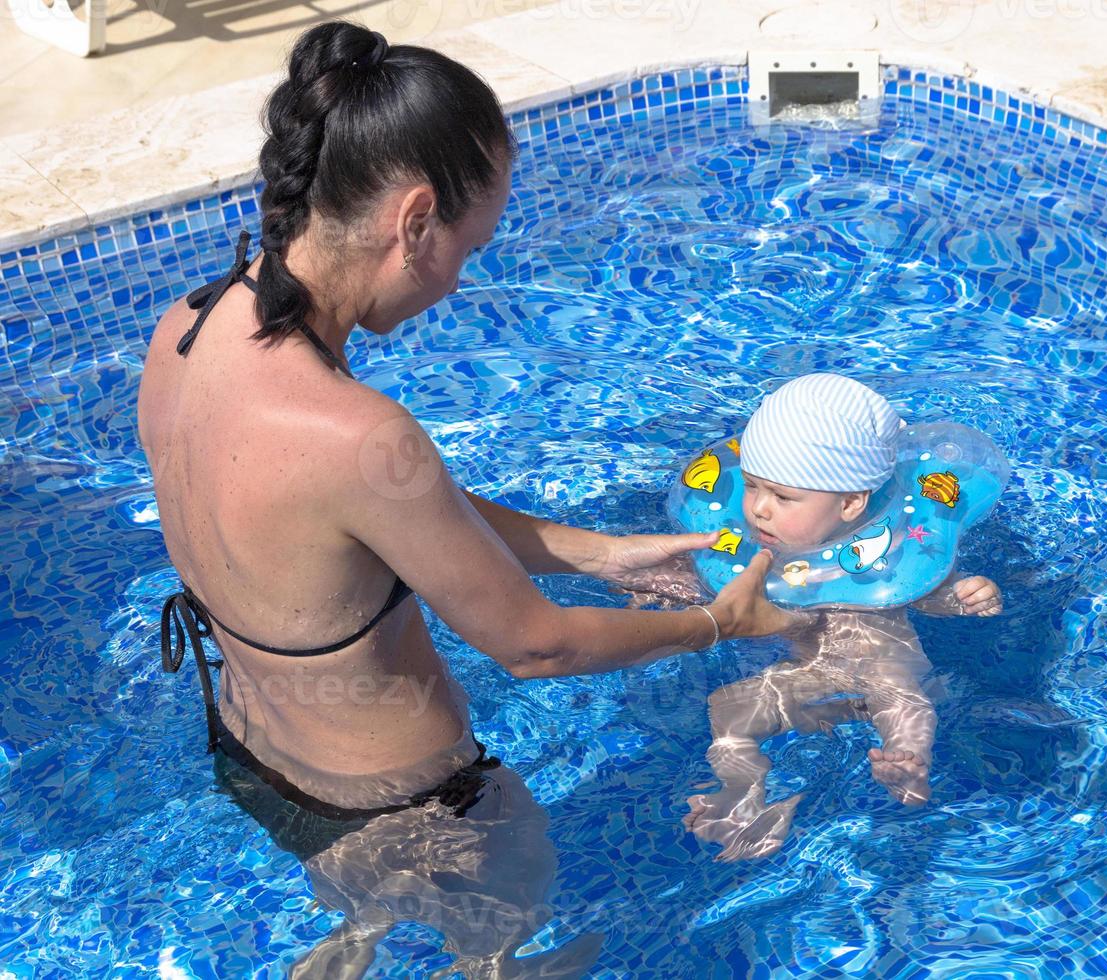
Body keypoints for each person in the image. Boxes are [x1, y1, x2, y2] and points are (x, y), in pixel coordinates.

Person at [136, 22, 794, 977]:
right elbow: (538, 645)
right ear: (413, 222)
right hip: (419, 808)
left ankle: (356, 938)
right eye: (469, 247)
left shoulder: (187, 331)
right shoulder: (363, 435)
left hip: (258, 760)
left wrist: (599, 554)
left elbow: (366, 518)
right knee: (505, 947)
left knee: (369, 900)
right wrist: (719, 626)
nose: (458, 278)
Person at [614, 374, 1004, 862]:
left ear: (850, 502)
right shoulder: (746, 540)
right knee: (728, 709)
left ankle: (907, 761)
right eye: (752, 487)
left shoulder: (896, 546)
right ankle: (743, 794)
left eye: (783, 497)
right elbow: (705, 581)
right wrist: (663, 584)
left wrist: (968, 596)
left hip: (871, 648)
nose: (758, 509)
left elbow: (924, 592)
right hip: (802, 668)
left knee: (897, 692)